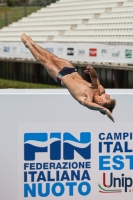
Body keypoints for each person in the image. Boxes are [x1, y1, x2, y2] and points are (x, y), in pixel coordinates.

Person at [21, 33, 116, 122]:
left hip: (61, 76)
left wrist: (104, 110)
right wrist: (91, 70)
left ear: (99, 102)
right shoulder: (100, 90)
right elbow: (94, 77)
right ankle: (33, 43)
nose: (108, 96)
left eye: (107, 99)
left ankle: (28, 44)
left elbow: (89, 105)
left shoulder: (87, 99)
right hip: (72, 70)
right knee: (52, 57)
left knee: (45, 61)